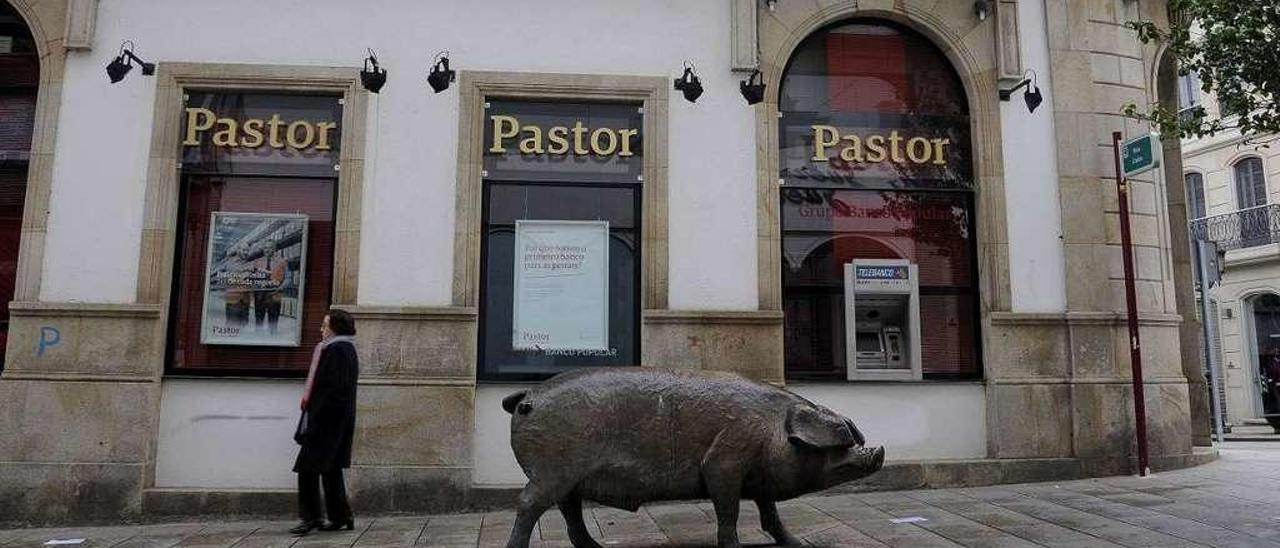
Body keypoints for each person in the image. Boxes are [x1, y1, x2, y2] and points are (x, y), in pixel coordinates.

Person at [291, 309, 359, 535]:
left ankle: (311, 518)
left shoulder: (338, 350)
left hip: (327, 422)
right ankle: (341, 516)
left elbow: (335, 389)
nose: (321, 329)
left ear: (336, 327)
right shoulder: (341, 348)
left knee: (307, 468)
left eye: (325, 325)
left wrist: (316, 416)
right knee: (330, 469)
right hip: (333, 421)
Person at [251, 239, 287, 334]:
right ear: (263, 249)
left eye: (270, 247)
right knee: (259, 317)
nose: (267, 250)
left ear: (275, 249)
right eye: (266, 247)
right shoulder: (257, 262)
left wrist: (280, 287)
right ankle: (258, 337)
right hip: (259, 293)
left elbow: (288, 278)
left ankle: (273, 335)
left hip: (275, 292)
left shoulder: (282, 262)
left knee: (274, 317)